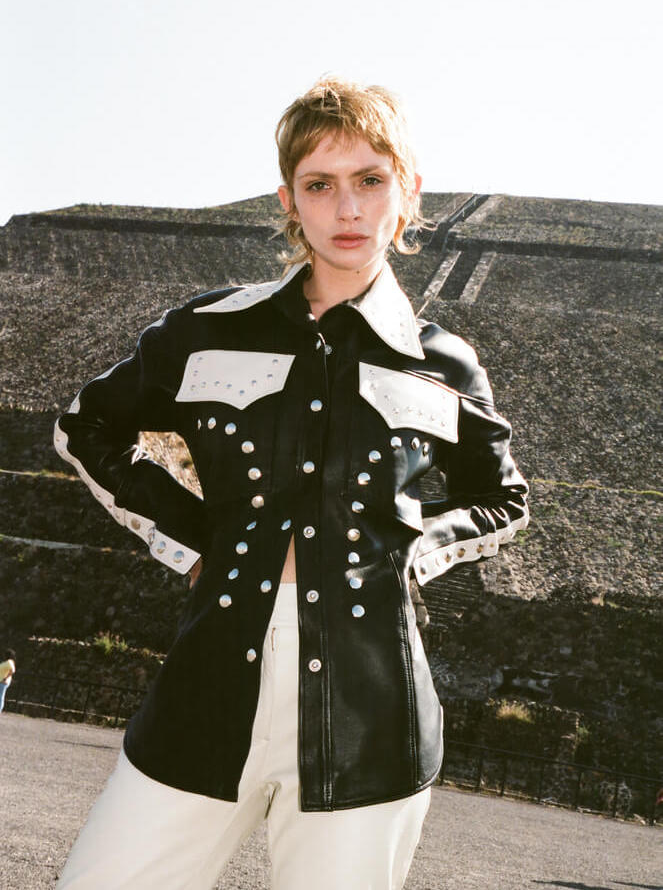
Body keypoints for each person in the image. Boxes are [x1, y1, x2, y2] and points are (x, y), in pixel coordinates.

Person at [53, 77, 528, 889]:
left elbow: (503, 496)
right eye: (319, 184)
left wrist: (413, 552)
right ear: (289, 200)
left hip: (371, 716)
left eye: (369, 179)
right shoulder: (207, 328)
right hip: (206, 688)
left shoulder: (442, 362)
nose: (347, 208)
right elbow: (84, 427)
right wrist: (194, 537)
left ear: (407, 193)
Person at [0, 648, 16, 713]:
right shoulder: (6, 662)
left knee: (1, 696)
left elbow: (12, 671)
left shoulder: (9, 662)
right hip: (1, 681)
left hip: (3, 682)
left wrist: (5, 678)